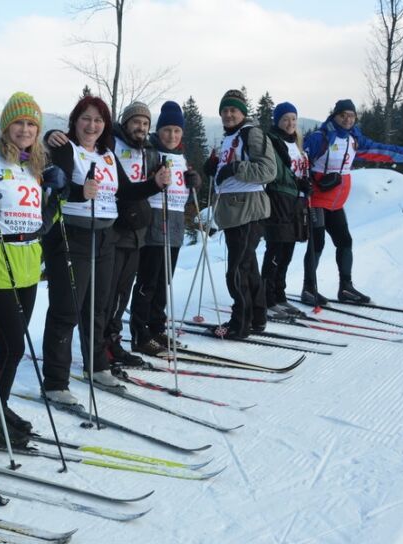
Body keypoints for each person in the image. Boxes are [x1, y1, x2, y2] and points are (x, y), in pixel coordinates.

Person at [0, 92, 66, 446]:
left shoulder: (35, 167)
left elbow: (44, 220)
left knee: (12, 346)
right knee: (12, 347)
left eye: (31, 124)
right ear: (6, 126)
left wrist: (55, 201)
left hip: (28, 264)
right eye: (18, 123)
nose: (24, 129)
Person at [41, 95, 166, 403]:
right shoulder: (65, 148)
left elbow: (125, 192)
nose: (92, 125)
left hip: (105, 237)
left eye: (98, 120)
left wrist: (155, 184)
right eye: (86, 118)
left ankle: (97, 365)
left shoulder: (107, 154)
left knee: (98, 307)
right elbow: (54, 187)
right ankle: (56, 381)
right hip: (72, 236)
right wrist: (78, 192)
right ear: (75, 121)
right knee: (66, 310)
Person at [301, 99, 403, 305]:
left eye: (351, 116)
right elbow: (300, 162)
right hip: (317, 199)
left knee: (345, 242)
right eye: (343, 115)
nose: (348, 119)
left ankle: (346, 288)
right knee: (318, 243)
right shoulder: (319, 138)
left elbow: (380, 150)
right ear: (335, 115)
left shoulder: (353, 139)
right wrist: (309, 182)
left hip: (337, 203)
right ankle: (309, 288)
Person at [129, 101, 202, 354]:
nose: (171, 135)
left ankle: (157, 328)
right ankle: (140, 333)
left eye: (177, 131)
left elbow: (186, 183)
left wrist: (195, 181)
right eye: (167, 130)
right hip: (153, 221)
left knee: (163, 283)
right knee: (147, 282)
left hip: (175, 224)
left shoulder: (181, 156)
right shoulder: (150, 151)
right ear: (158, 131)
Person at [203, 89, 276, 339]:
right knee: (248, 267)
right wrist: (216, 168)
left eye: (233, 110)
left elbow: (268, 170)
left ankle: (239, 324)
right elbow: (231, 166)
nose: (228, 114)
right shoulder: (231, 136)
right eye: (224, 110)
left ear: (243, 113)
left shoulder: (250, 132)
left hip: (248, 207)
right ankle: (257, 318)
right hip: (234, 209)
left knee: (236, 270)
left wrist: (235, 168)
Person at [261, 101, 311, 317]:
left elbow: (300, 171)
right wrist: (296, 183)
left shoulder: (297, 143)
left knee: (287, 252)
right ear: (277, 121)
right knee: (276, 250)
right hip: (279, 199)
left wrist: (306, 183)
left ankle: (279, 294)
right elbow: (276, 173)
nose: (290, 123)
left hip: (297, 203)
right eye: (285, 119)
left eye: (293, 119)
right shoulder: (272, 141)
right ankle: (266, 297)